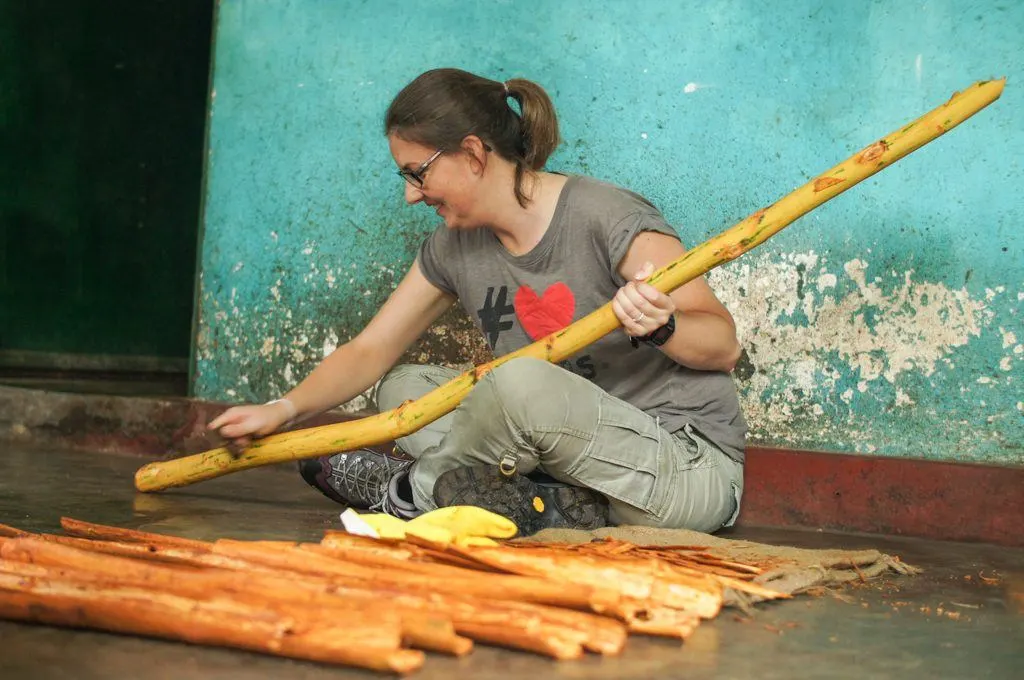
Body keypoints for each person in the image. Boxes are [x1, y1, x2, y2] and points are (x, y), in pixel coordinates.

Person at [209, 68, 747, 535]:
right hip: (566, 467)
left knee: (516, 382)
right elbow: (371, 350)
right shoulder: (454, 245)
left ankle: (410, 495)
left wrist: (663, 326)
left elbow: (723, 346)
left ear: (471, 153)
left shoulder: (606, 217)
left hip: (678, 470)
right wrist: (282, 409)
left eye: (417, 174)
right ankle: (544, 507)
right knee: (404, 389)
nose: (411, 195)